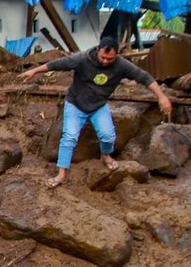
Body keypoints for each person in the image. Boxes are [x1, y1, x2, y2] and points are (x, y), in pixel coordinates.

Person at [20, 36, 173, 188]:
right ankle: (61, 173)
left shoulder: (122, 65)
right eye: (103, 57)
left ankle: (105, 155)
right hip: (75, 104)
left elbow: (144, 77)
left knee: (108, 135)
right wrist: (33, 71)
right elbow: (57, 64)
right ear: (98, 50)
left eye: (110, 59)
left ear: (116, 55)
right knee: (69, 137)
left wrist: (161, 97)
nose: (106, 61)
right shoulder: (82, 59)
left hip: (98, 106)